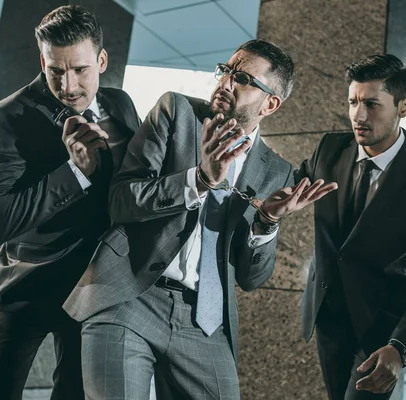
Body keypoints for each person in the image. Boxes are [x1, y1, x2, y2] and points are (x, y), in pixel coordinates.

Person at [63, 39, 337, 399]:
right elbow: (121, 201)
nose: (225, 83)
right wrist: (200, 180)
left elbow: (253, 278)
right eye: (225, 70)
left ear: (270, 103)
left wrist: (266, 223)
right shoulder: (176, 112)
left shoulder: (276, 172)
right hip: (130, 296)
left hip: (204, 320)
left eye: (242, 79)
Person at [0, 5, 141, 399]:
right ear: (41, 61)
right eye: (55, 71)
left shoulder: (122, 105)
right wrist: (74, 173)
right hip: (25, 289)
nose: (68, 85)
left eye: (80, 70)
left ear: (101, 60)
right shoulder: (8, 116)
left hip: (94, 294)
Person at [297, 54, 406, 399]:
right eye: (353, 102)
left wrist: (401, 347)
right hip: (328, 317)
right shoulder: (329, 149)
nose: (358, 115)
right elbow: (285, 185)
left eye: (372, 104)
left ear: (405, 106)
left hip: (381, 333)